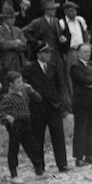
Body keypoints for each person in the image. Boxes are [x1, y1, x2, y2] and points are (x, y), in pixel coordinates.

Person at [0, 70, 46, 183]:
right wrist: (8, 117)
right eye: (18, 82)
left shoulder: (25, 91)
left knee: (33, 145)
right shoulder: (8, 97)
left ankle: (39, 170)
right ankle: (14, 174)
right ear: (11, 84)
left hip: (26, 121)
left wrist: (31, 90)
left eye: (21, 81)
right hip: (15, 123)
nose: (20, 84)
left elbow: (38, 99)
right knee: (14, 147)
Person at [25, 43, 69, 173]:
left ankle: (62, 164)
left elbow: (61, 85)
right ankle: (39, 166)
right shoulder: (30, 68)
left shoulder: (54, 67)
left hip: (53, 106)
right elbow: (24, 85)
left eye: (49, 52)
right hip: (38, 108)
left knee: (58, 136)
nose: (49, 55)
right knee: (38, 137)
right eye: (46, 52)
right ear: (38, 54)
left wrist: (58, 100)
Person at [69, 42, 92, 166]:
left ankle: (89, 155)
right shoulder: (75, 67)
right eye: (84, 52)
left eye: (88, 51)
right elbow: (82, 79)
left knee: (91, 128)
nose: (87, 54)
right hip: (81, 102)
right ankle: (78, 157)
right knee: (80, 129)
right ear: (78, 53)